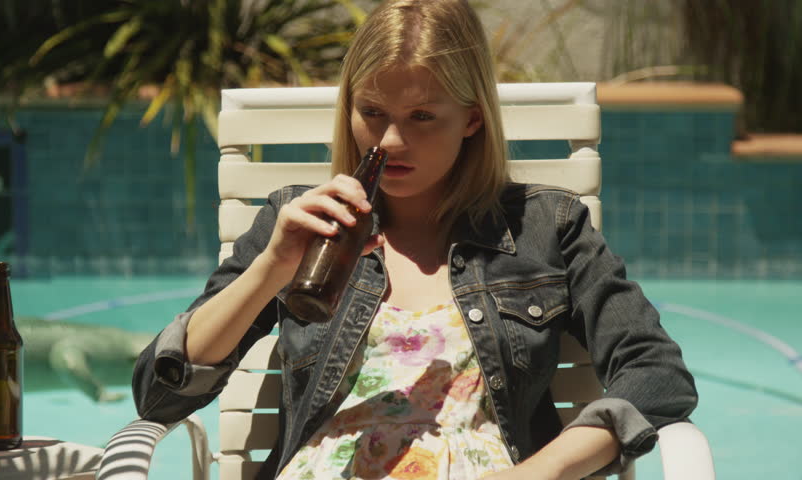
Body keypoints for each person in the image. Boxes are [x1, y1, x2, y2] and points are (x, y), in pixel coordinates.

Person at [132, 0, 698, 478]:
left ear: (472, 119)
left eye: (423, 116)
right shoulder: (300, 221)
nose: (392, 140)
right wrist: (271, 269)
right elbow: (160, 395)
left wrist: (537, 472)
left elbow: (656, 374)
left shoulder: (547, 228)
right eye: (371, 111)